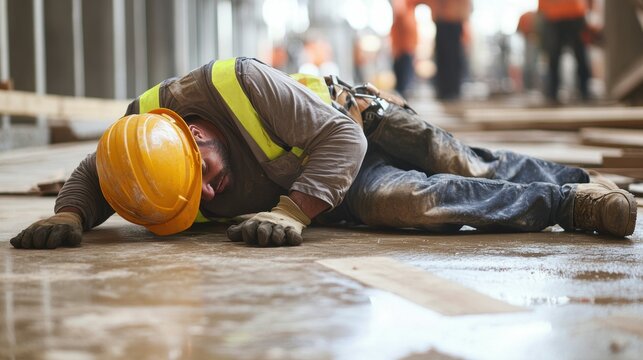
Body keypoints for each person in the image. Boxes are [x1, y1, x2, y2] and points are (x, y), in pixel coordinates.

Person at [9, 57, 637, 249]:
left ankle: (583, 180)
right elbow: (96, 171)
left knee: (458, 163)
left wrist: (295, 209)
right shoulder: (140, 142)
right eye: (192, 199)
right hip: (317, 183)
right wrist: (73, 213)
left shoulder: (239, 84)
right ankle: (571, 204)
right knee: (411, 202)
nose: (203, 199)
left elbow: (343, 138)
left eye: (202, 177)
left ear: (198, 136)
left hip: (351, 128)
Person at [538, 0, 592, 103]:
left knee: (580, 55)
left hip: (572, 13)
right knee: (555, 57)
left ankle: (584, 91)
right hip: (556, 14)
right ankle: (553, 93)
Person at [419, 0, 472, 100]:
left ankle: (451, 90)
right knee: (444, 57)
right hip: (443, 19)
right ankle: (446, 90)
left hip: (453, 19)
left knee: (452, 57)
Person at [390, 0, 418, 97]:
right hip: (403, 48)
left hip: (405, 48)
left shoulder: (407, 12)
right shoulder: (405, 12)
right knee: (402, 75)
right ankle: (402, 92)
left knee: (404, 76)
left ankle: (403, 91)